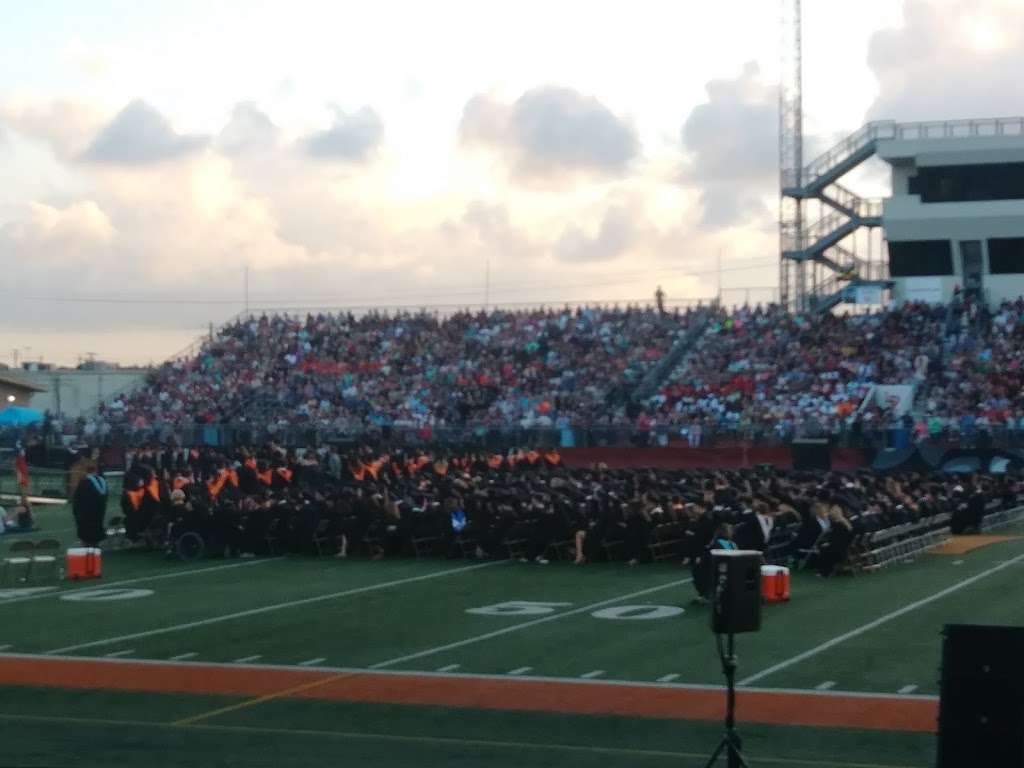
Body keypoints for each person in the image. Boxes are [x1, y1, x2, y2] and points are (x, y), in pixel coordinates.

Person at [72, 467, 108, 546]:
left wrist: (76, 512)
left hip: (86, 514)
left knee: (87, 533)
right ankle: (96, 546)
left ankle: (86, 546)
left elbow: (77, 499)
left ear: (86, 472)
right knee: (96, 530)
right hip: (99, 513)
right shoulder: (103, 482)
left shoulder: (85, 483)